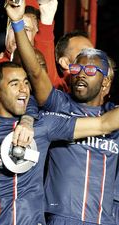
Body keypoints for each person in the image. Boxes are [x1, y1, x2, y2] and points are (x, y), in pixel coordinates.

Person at [0, 61, 119, 225]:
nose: (24, 89)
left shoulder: (45, 124)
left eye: (26, 83)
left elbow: (103, 124)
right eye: (15, 84)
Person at [6, 1, 119, 224]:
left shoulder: (113, 117)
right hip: (62, 217)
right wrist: (18, 23)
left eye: (90, 70)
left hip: (106, 218)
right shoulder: (59, 104)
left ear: (105, 83)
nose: (80, 74)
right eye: (76, 68)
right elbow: (36, 72)